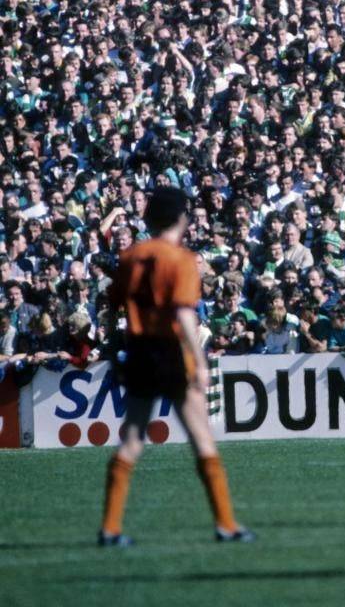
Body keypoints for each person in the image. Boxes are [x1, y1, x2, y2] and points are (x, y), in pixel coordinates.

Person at [99, 186, 254, 546]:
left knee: (133, 438)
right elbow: (184, 315)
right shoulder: (181, 259)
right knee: (201, 436)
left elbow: (111, 309)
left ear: (149, 218)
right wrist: (200, 362)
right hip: (170, 353)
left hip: (137, 350)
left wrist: (115, 347)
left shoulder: (130, 256)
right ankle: (226, 524)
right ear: (182, 218)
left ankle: (110, 528)